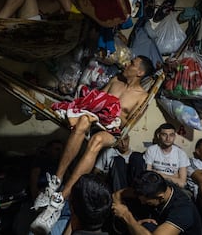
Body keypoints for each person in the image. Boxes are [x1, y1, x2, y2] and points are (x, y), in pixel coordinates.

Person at [30, 55, 154, 234]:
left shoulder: (142, 97)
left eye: (132, 64)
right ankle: (55, 182)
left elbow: (128, 125)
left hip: (112, 131)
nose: (127, 64)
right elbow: (95, 100)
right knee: (82, 122)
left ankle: (60, 199)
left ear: (140, 72)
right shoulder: (115, 81)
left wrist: (114, 122)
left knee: (96, 141)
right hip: (96, 119)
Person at [112, 171, 202, 235]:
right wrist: (136, 222)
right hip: (160, 223)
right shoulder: (157, 186)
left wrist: (126, 215)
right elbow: (117, 194)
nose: (142, 202)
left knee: (146, 228)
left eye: (147, 201)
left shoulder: (182, 210)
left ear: (160, 197)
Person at [143, 123, 190, 188]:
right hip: (155, 185)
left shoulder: (181, 153)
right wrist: (174, 177)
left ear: (174, 136)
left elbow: (182, 183)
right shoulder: (151, 150)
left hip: (173, 187)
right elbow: (147, 175)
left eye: (171, 135)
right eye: (164, 135)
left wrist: (158, 174)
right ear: (158, 135)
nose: (168, 138)